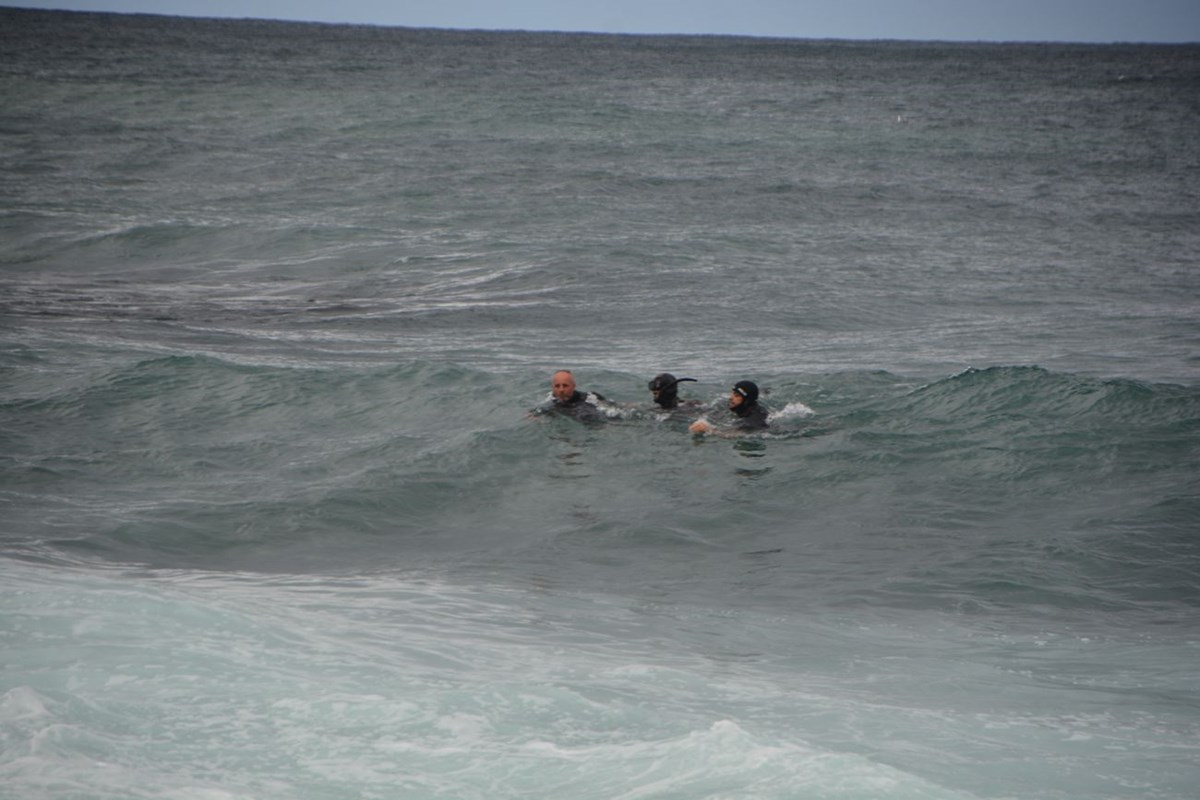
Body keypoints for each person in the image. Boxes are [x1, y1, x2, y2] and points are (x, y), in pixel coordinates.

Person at [689, 380, 769, 434]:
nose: (730, 397)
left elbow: (733, 434)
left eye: (737, 395)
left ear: (746, 400)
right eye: (732, 393)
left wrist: (708, 430)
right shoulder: (736, 406)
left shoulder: (754, 418)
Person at [533, 369, 607, 422]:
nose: (561, 390)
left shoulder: (591, 397)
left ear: (573, 386)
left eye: (565, 385)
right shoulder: (551, 401)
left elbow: (613, 411)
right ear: (553, 388)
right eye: (557, 386)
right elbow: (538, 411)